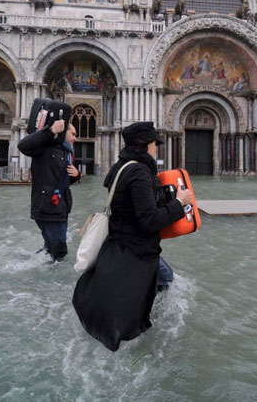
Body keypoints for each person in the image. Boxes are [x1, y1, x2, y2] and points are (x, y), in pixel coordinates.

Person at [73, 121, 192, 351]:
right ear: (145, 145)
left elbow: (127, 205)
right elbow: (148, 221)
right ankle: (151, 326)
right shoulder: (138, 172)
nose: (156, 148)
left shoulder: (121, 166)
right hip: (136, 247)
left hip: (120, 241)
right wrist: (179, 203)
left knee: (164, 277)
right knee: (165, 282)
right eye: (154, 144)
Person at [18, 120, 80, 263]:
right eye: (73, 134)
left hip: (60, 208)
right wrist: (51, 131)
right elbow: (23, 145)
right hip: (48, 207)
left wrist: (76, 175)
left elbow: (61, 180)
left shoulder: (66, 153)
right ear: (63, 132)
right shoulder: (44, 148)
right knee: (59, 252)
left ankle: (33, 263)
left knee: (50, 248)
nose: (75, 138)